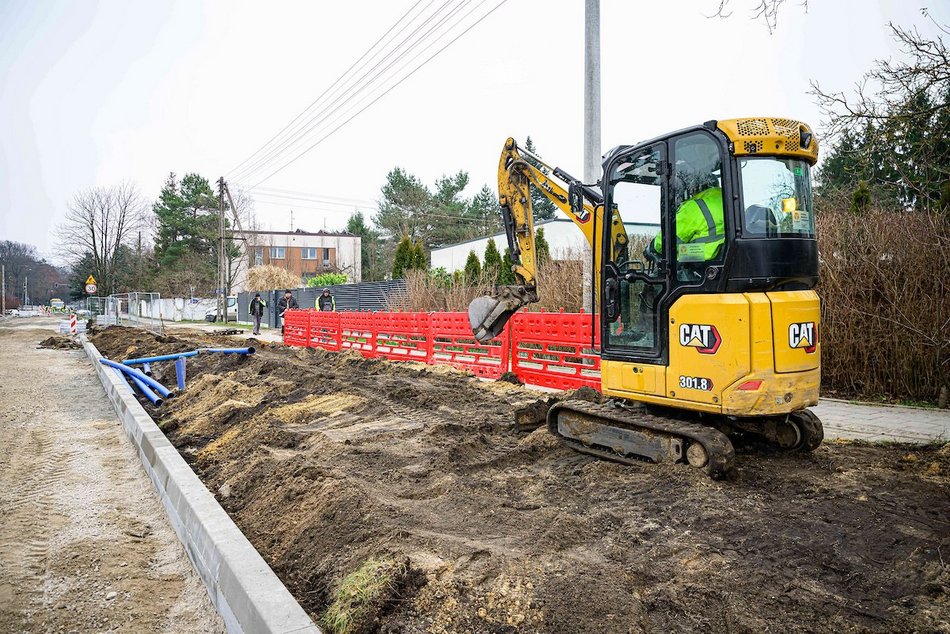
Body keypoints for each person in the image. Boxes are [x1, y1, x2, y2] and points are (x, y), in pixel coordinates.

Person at [651, 185, 724, 279]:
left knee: (659, 278)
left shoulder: (695, 207)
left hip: (699, 265)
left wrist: (652, 247)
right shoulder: (729, 201)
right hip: (721, 262)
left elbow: (665, 241)